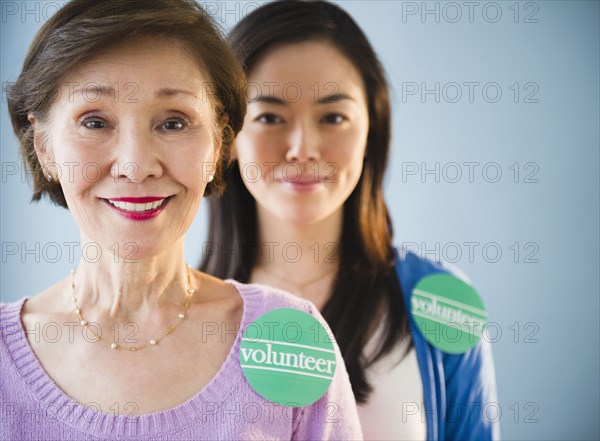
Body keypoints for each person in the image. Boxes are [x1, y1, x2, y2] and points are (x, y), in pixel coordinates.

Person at [0, 0, 363, 439]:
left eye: (173, 123)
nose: (136, 166)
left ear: (218, 144)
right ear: (45, 147)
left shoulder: (288, 339)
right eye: (94, 121)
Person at [200, 1, 500, 439]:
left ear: (371, 131)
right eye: (269, 116)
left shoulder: (443, 304)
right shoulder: (179, 316)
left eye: (333, 117)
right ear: (226, 136)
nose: (303, 148)